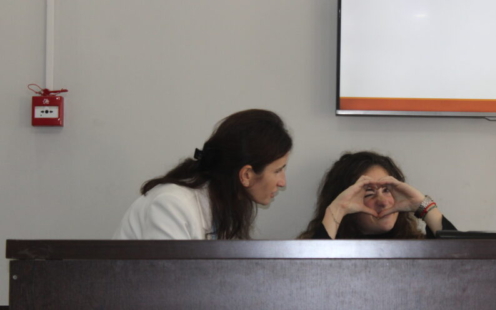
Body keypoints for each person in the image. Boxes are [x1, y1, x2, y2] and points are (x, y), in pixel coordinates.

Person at [113, 109, 292, 240]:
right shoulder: (171, 205)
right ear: (246, 175)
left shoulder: (229, 203)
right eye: (277, 170)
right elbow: (168, 278)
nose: (283, 182)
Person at [299, 151, 456, 239]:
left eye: (387, 190)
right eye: (369, 193)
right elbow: (311, 273)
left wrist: (422, 205)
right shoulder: (318, 244)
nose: (383, 202)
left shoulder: (419, 248)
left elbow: (462, 260)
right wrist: (337, 209)